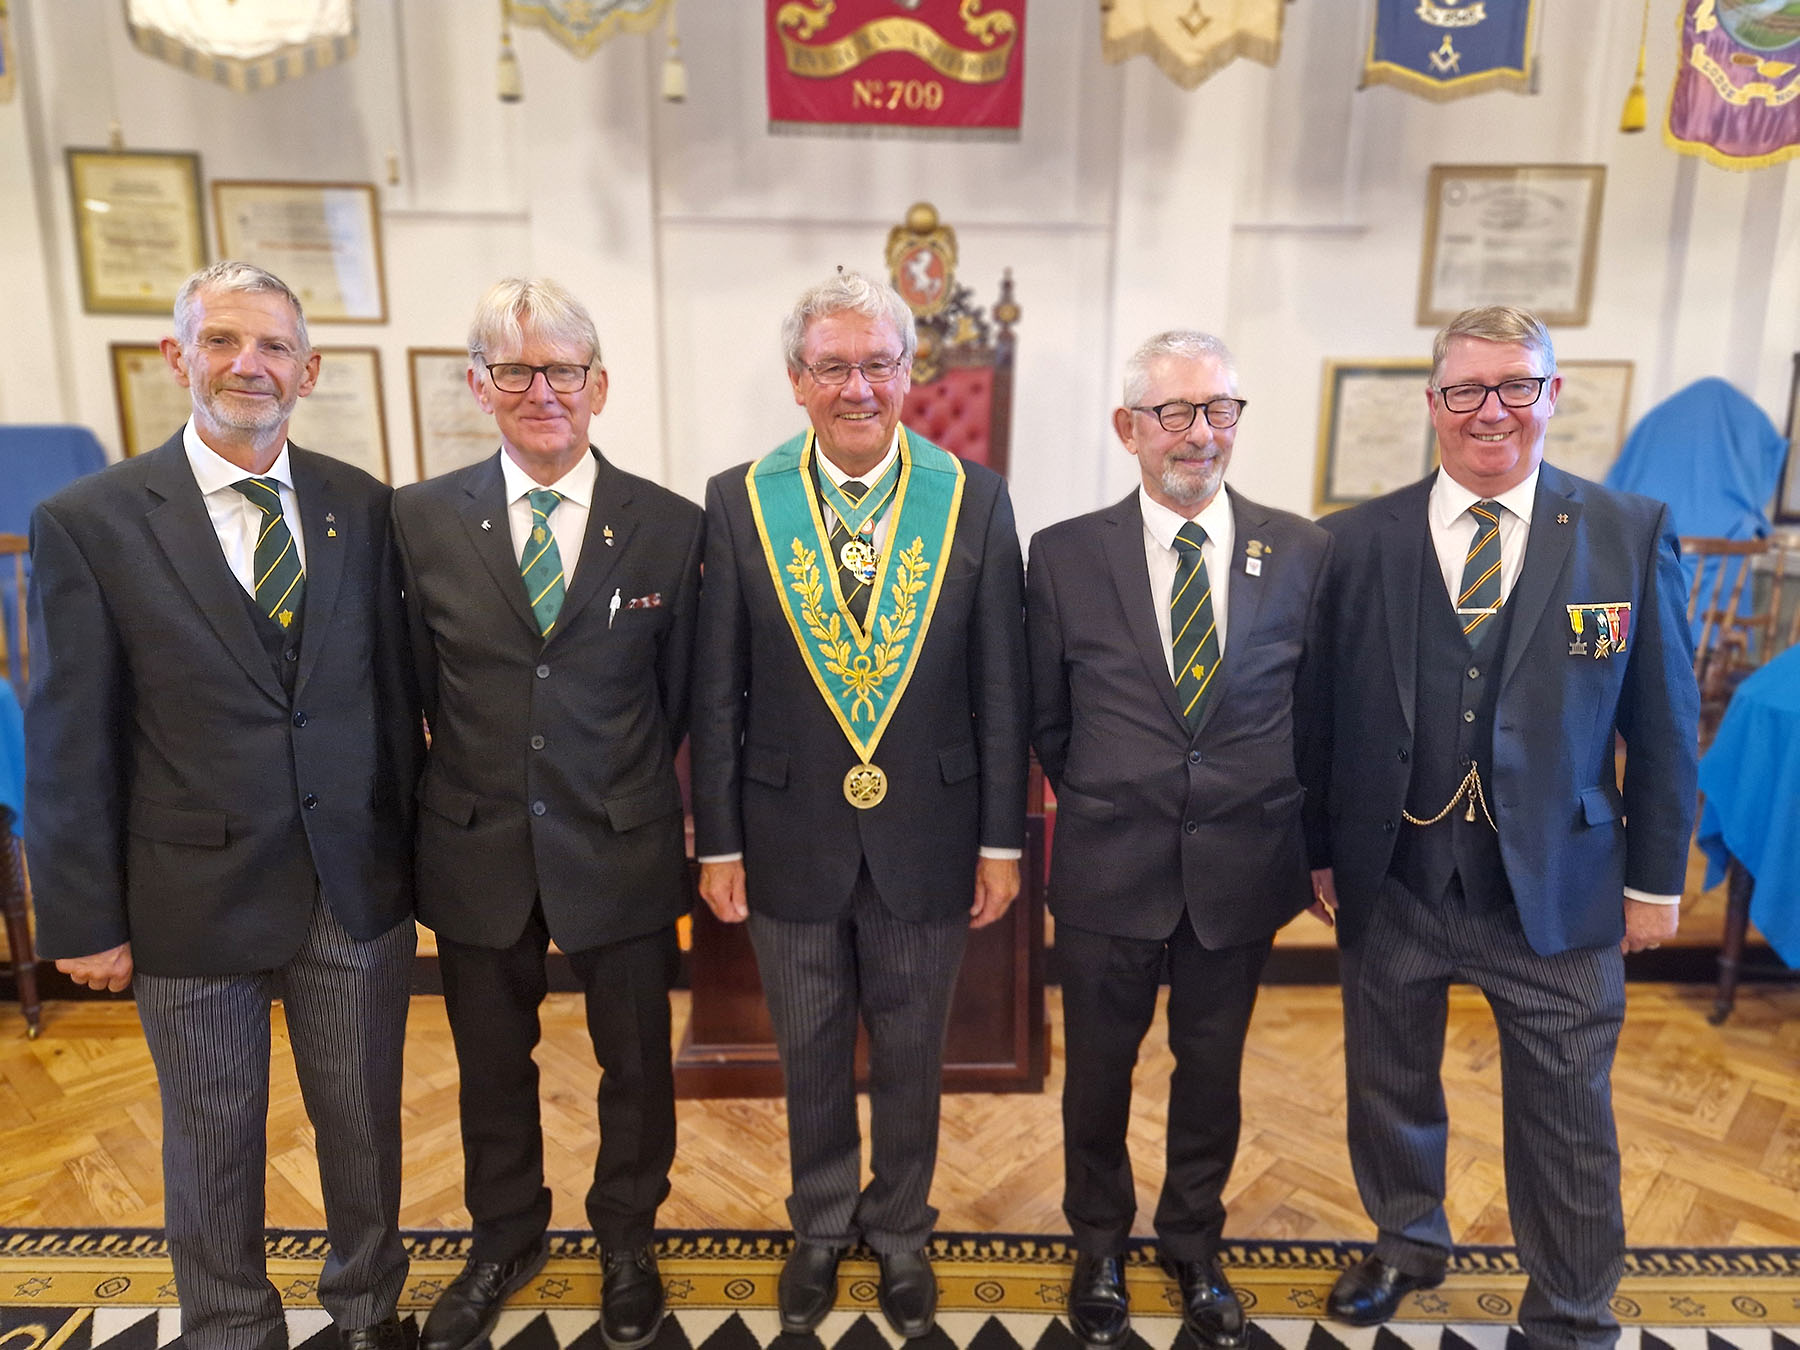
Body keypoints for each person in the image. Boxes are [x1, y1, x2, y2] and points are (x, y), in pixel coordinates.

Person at [24, 261, 419, 1350]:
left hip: (350, 887)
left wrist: (411, 867)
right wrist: (84, 917)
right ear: (178, 357)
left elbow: (390, 703)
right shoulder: (90, 523)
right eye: (225, 341)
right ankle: (229, 1326)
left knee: (364, 1128)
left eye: (276, 346)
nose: (251, 364)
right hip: (185, 893)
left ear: (310, 369)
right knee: (211, 1135)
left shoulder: (363, 507)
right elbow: (69, 735)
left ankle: (370, 1307)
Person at [1311, 306, 1700, 1350]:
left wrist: (1656, 881)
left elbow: (1664, 724)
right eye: (1468, 390)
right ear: (1433, 405)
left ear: (1552, 396)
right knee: (1387, 1083)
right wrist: (1318, 851)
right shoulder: (1353, 540)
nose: (1494, 411)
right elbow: (1320, 718)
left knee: (1568, 1116)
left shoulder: (1627, 532)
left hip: (1563, 884)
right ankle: (1405, 1245)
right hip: (1395, 876)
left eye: (1517, 386)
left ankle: (1571, 1310)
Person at [690, 271, 1029, 1340]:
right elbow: (715, 687)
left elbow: (1002, 689)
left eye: (877, 363)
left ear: (909, 371)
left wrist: (1002, 841)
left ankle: (902, 1234)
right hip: (785, 833)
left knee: (915, 1049)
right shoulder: (738, 498)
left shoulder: (972, 497)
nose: (857, 386)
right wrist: (719, 841)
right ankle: (820, 1226)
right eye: (832, 365)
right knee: (809, 1046)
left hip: (930, 831)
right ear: (797, 379)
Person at [392, 278, 703, 1350]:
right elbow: (412, 691)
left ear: (599, 385)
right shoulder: (418, 521)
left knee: (636, 1063)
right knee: (490, 1064)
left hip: (618, 840)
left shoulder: (669, 526)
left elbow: (682, 699)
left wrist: (617, 784)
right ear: (478, 385)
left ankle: (627, 1239)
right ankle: (505, 1237)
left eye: (562, 369)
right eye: (515, 369)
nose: (542, 391)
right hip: (475, 842)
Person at [1025, 331, 1331, 1349]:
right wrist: (1121, 793)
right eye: (1175, 413)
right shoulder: (1064, 555)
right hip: (1112, 866)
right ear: (1129, 429)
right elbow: (1048, 719)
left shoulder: (1301, 550)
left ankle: (1193, 1240)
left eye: (1220, 410)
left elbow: (1318, 713)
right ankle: (1100, 1243)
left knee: (1213, 1073)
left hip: (1242, 872)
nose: (1200, 434)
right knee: (1099, 1075)